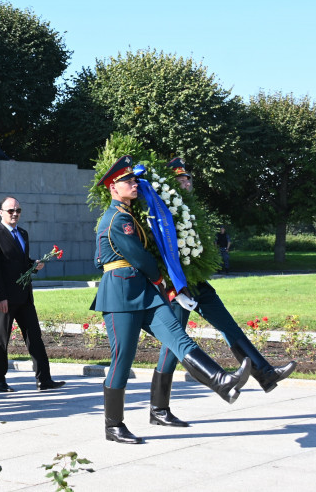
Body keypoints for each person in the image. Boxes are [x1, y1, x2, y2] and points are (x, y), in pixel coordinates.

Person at [93, 155, 251, 444]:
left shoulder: (127, 216)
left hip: (144, 294)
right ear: (112, 189)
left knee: (178, 338)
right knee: (123, 359)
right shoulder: (116, 219)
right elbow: (139, 257)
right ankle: (113, 425)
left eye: (133, 179)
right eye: (126, 181)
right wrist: (164, 280)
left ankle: (222, 382)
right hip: (121, 297)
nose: (133, 183)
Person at [147, 158, 295, 428]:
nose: (187, 183)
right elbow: (159, 254)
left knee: (228, 325)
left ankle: (265, 373)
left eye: (188, 179)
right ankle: (158, 409)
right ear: (169, 185)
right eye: (181, 180)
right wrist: (172, 287)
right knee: (174, 343)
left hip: (197, 282)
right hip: (176, 288)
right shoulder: (160, 211)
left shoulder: (188, 210)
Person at [0, 197, 64, 393]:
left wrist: (33, 264)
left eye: (18, 210)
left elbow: (20, 262)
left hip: (24, 296)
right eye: (10, 210)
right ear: (1, 212)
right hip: (5, 298)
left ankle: (44, 379)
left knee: (34, 336)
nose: (15, 214)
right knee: (1, 339)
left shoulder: (23, 233)